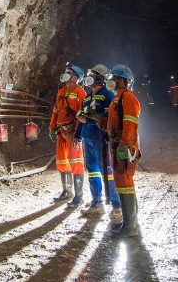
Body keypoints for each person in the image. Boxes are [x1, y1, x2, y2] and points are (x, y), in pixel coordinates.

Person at [74, 64, 121, 218]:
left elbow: (110, 118)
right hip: (88, 139)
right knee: (93, 171)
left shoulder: (107, 95)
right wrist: (77, 136)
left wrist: (88, 118)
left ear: (100, 78)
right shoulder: (87, 98)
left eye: (92, 74)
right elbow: (80, 119)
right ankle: (97, 203)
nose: (89, 77)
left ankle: (116, 206)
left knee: (107, 171)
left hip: (102, 140)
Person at [106, 64, 142, 238]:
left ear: (121, 80)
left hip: (124, 147)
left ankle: (131, 227)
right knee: (121, 182)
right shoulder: (117, 99)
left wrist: (124, 145)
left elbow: (130, 124)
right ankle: (130, 223)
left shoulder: (127, 97)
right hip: (117, 144)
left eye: (113, 78)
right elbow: (114, 123)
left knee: (125, 181)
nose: (111, 81)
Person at [49, 64, 87, 205]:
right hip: (61, 131)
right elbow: (56, 111)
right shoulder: (61, 92)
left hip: (73, 132)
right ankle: (67, 192)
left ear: (76, 77)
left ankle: (79, 196)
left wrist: (78, 135)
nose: (65, 74)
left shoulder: (80, 92)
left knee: (76, 162)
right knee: (62, 162)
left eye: (69, 73)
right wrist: (52, 127)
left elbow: (82, 115)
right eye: (65, 72)